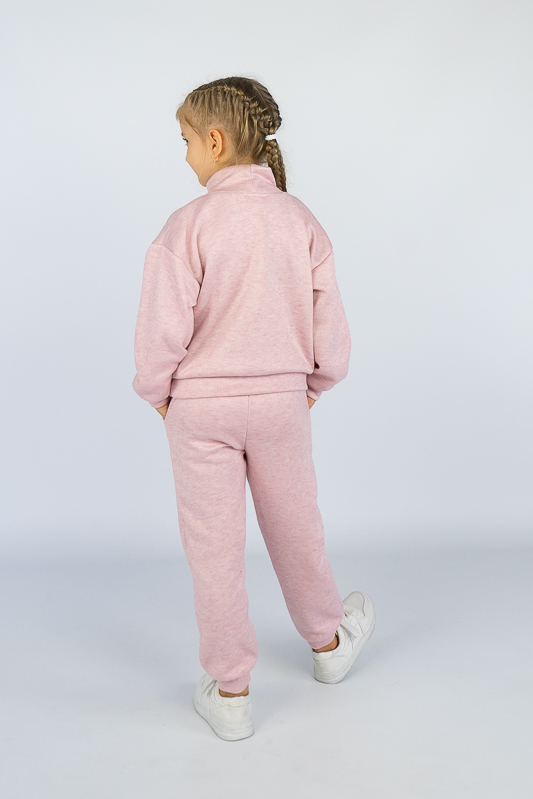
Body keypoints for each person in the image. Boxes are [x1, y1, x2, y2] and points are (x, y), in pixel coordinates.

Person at [132, 76, 376, 742]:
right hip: (279, 406)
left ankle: (231, 691)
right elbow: (329, 324)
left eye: (186, 140)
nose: (185, 153)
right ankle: (328, 643)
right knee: (297, 527)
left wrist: (158, 392)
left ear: (214, 141)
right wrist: (315, 382)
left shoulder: (186, 226)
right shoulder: (299, 221)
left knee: (213, 550)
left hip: (199, 411)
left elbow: (159, 328)